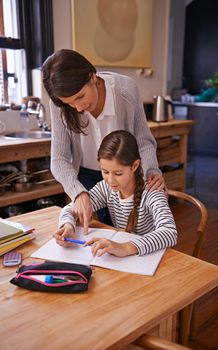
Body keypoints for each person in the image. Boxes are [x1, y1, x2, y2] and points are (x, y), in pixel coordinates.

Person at [42, 49, 165, 232]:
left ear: (92, 77)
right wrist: (78, 193)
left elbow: (142, 141)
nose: (78, 107)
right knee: (98, 234)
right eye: (69, 104)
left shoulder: (126, 90)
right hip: (84, 177)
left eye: (80, 97)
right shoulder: (59, 104)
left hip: (124, 174)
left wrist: (151, 172)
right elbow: (59, 160)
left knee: (131, 231)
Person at [54, 130, 177, 258]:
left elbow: (169, 232)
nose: (111, 180)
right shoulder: (106, 188)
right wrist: (68, 226)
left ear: (135, 165)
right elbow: (69, 209)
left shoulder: (152, 192)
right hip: (122, 260)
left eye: (118, 173)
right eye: (105, 172)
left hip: (150, 259)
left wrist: (125, 247)